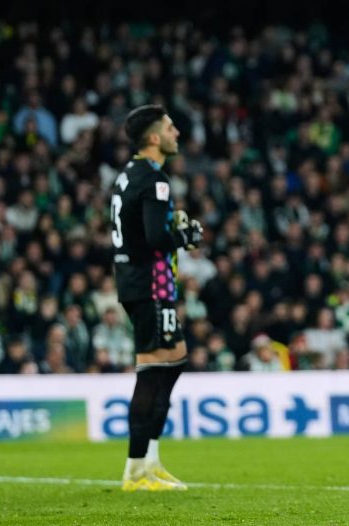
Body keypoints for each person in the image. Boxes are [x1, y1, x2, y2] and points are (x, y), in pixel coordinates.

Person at [112, 104, 204, 492]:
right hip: (148, 283)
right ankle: (136, 469)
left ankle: (150, 460)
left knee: (175, 359)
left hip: (146, 283)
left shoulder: (128, 175)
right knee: (151, 370)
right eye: (169, 128)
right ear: (153, 138)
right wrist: (186, 235)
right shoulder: (154, 179)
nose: (176, 132)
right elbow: (155, 238)